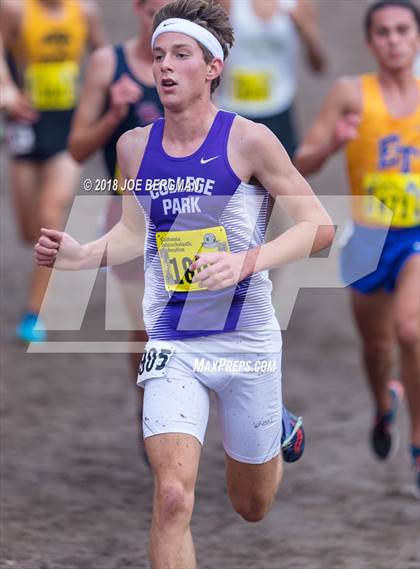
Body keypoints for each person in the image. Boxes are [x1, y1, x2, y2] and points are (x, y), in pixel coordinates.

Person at [34, 0, 334, 566]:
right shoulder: (134, 147)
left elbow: (320, 226)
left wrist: (248, 261)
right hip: (173, 340)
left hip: (247, 344)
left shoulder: (250, 141)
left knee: (251, 506)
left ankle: (279, 432)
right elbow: (130, 232)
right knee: (172, 496)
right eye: (157, 56)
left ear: (213, 66)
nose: (165, 66)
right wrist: (82, 255)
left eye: (181, 55)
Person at [294, 0, 420, 497]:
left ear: (416, 39)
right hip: (366, 237)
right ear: (370, 43)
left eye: (403, 31)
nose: (393, 40)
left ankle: (417, 441)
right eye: (384, 32)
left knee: (410, 330)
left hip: (415, 234)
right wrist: (332, 145)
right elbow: (300, 159)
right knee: (376, 348)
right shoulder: (351, 94)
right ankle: (382, 403)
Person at [68, 0, 167, 375]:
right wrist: (113, 113)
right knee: (145, 326)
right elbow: (77, 149)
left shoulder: (191, 66)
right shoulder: (108, 64)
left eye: (168, 12)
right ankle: (146, 415)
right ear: (137, 8)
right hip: (126, 215)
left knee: (182, 328)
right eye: (151, 10)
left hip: (184, 214)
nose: (158, 21)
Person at [0, 0, 105, 342]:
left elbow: (103, 58)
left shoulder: (85, 12)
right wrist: (7, 90)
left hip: (66, 127)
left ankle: (34, 312)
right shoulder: (15, 10)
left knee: (50, 213)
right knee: (28, 230)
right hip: (25, 123)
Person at [217, 0, 326, 157]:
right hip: (232, 109)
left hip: (279, 108)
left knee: (281, 177)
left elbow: (319, 66)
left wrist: (304, 30)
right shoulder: (228, 3)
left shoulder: (297, 4)